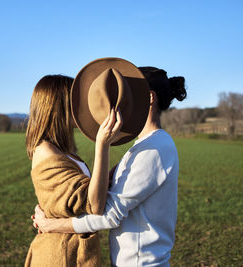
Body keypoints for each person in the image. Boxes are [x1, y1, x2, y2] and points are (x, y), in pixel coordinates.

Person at [33, 66, 187, 267]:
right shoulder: (145, 146)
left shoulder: (154, 149)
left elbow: (110, 215)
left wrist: (52, 225)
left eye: (127, 94)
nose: (117, 100)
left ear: (149, 98)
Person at [24, 74, 123, 266]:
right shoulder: (45, 151)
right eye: (75, 101)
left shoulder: (62, 150)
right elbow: (94, 204)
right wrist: (102, 145)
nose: (83, 107)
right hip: (60, 255)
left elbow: (89, 189)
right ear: (58, 106)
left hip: (70, 251)